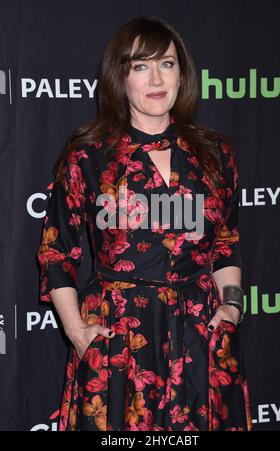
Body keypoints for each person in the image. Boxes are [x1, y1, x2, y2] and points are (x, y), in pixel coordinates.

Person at [36, 16, 252, 431]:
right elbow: (56, 252)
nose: (156, 77)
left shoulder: (214, 154)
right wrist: (77, 332)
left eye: (167, 64)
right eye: (140, 65)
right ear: (120, 76)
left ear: (182, 73)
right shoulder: (89, 155)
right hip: (119, 338)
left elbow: (226, 242)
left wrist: (232, 306)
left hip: (199, 333)